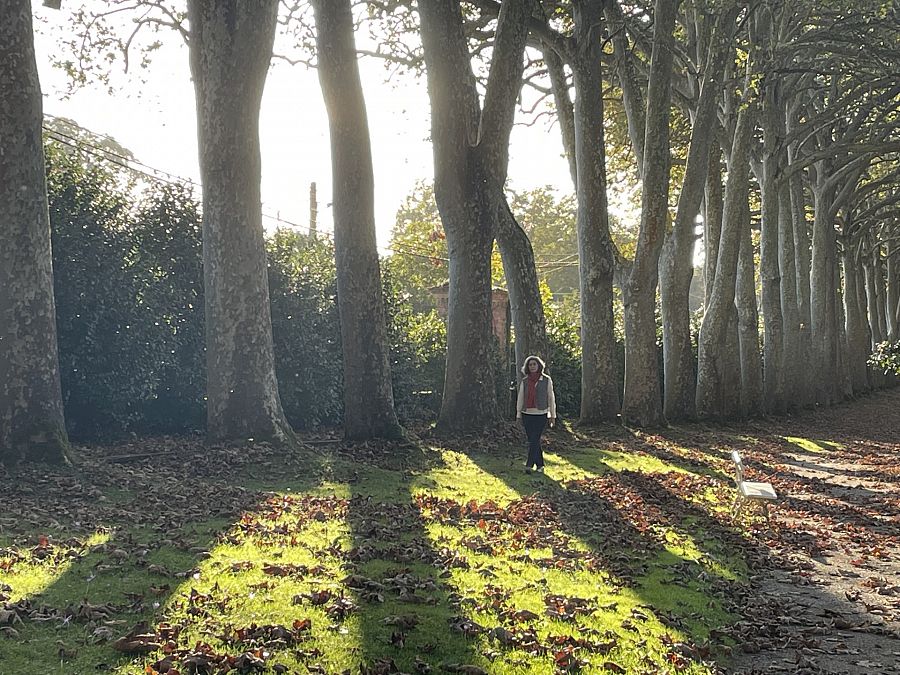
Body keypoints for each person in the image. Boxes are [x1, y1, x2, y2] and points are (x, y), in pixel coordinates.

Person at [516, 355, 556, 474]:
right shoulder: (525, 381)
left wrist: (552, 415)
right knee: (533, 440)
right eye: (530, 364)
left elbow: (550, 397)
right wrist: (518, 414)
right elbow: (521, 397)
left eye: (534, 364)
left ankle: (529, 464)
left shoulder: (546, 380)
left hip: (541, 413)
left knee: (535, 438)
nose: (532, 366)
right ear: (527, 367)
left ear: (539, 366)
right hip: (527, 413)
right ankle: (540, 465)